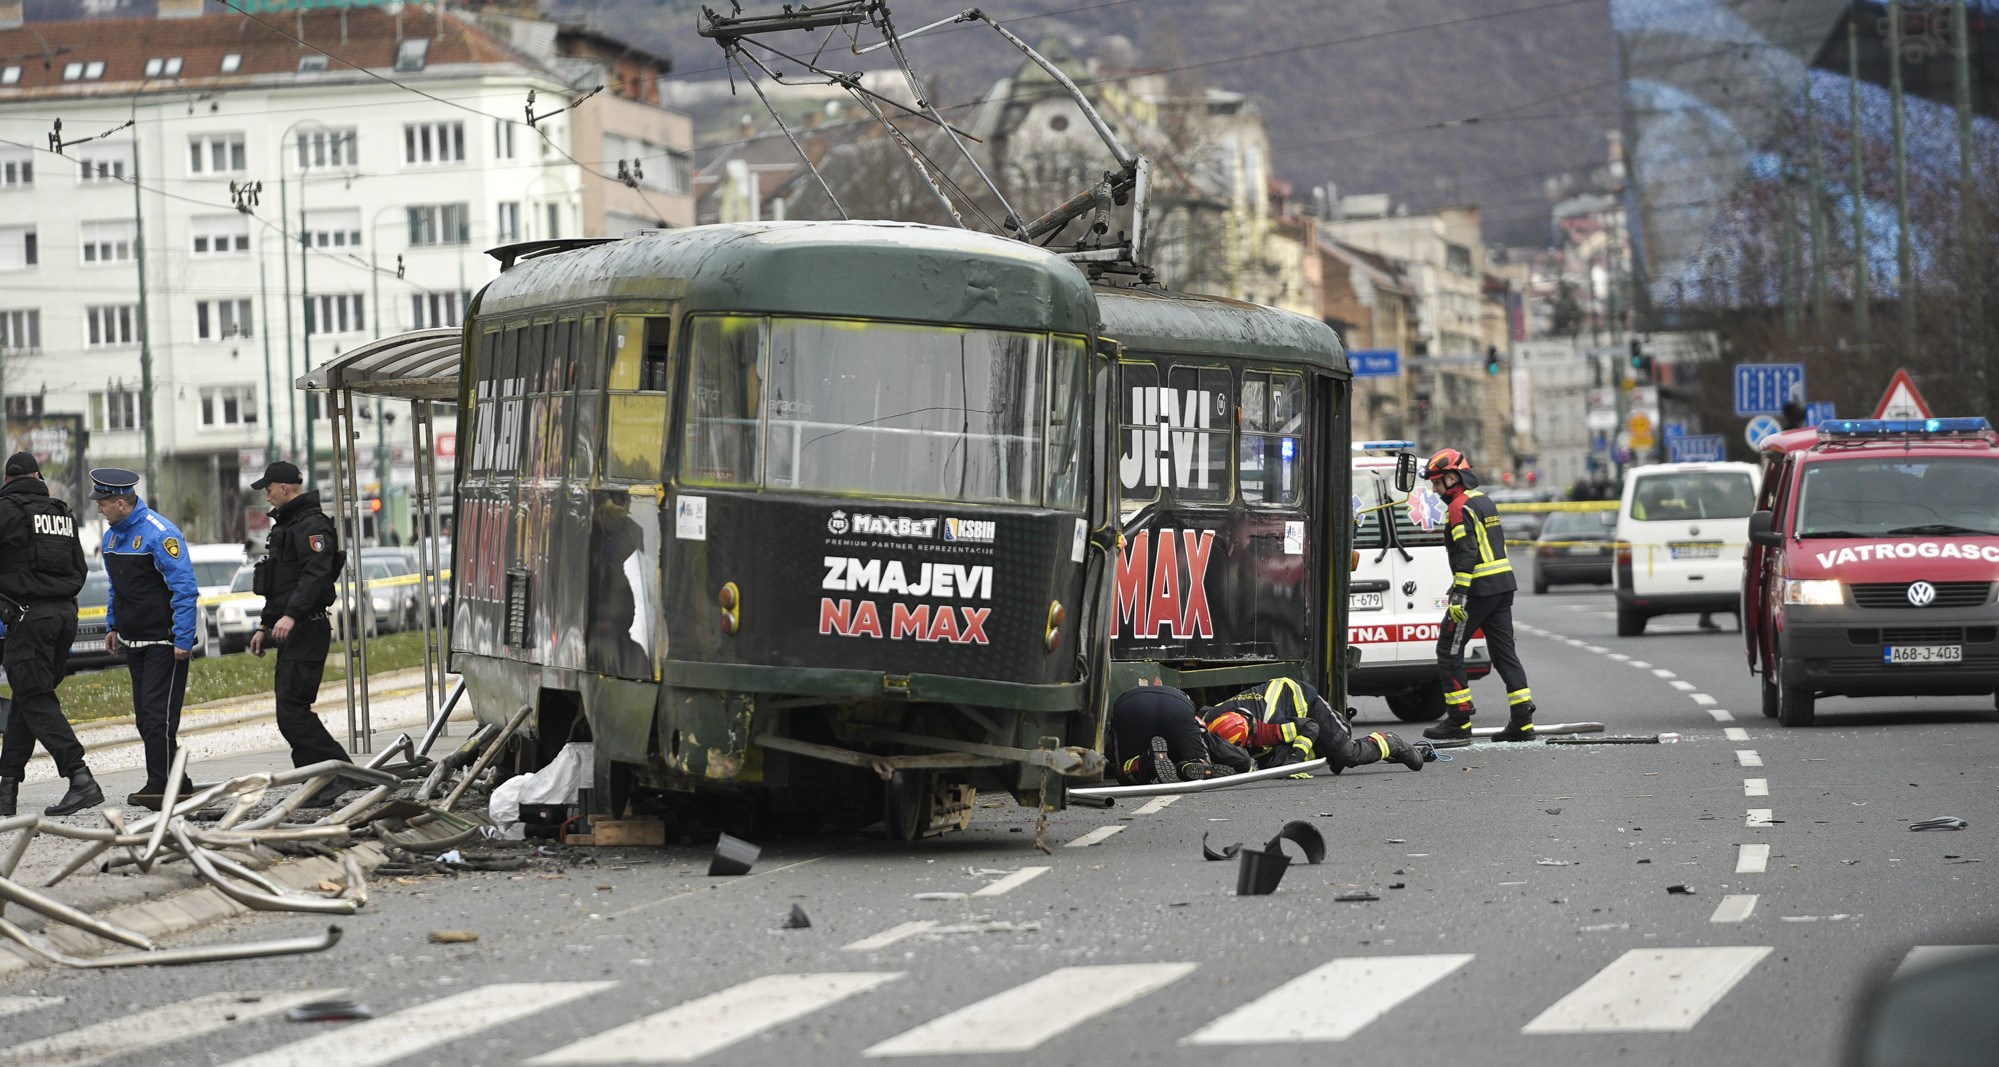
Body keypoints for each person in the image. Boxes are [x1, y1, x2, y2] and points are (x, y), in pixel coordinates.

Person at [91, 467, 201, 809]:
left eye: (104, 502)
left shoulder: (160, 533)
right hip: (133, 641)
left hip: (164, 644)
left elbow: (184, 588)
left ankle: (160, 785)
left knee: (158, 719)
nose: (99, 508)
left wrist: (183, 637)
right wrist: (112, 626)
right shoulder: (111, 537)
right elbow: (118, 588)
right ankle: (178, 781)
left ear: (122, 502)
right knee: (146, 718)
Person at [248, 460, 354, 806]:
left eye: (268, 487)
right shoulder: (287, 525)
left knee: (293, 709)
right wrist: (265, 625)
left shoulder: (310, 525)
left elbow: (315, 575)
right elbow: (277, 582)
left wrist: (291, 616)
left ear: (283, 488)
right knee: (289, 709)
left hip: (307, 626)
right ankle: (321, 779)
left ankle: (337, 774)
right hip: (291, 629)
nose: (266, 494)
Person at [0, 452, 101, 817]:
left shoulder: (6, 512)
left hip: (28, 619)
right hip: (64, 616)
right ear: (38, 476)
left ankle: (80, 777)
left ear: (8, 478)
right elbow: (79, 566)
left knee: (35, 696)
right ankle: (6, 788)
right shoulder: (59, 513)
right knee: (28, 701)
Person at [1419, 448, 1538, 742]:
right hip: (1502, 586)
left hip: (1477, 590)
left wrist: (1460, 592)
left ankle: (1458, 719)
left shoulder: (1458, 506)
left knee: (1449, 648)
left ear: (1451, 477)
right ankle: (1522, 721)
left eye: (1436, 483)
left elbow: (1468, 551)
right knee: (1503, 652)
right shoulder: (1484, 501)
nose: (1434, 490)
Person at [1201, 678, 1426, 773]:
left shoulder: (1271, 724)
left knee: (1345, 756)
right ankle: (1322, 753)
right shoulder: (1212, 717)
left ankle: (1391, 743)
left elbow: (1309, 727)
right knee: (1270, 764)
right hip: (1282, 706)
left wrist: (1295, 763)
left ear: (1250, 732)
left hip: (1307, 708)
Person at [1105, 684, 1231, 785]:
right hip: (1178, 705)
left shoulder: (1127, 697)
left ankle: (1146, 762)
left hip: (1132, 706)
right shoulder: (1181, 697)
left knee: (1124, 773)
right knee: (1199, 760)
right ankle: (1191, 765)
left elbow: (1111, 741)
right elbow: (1201, 730)